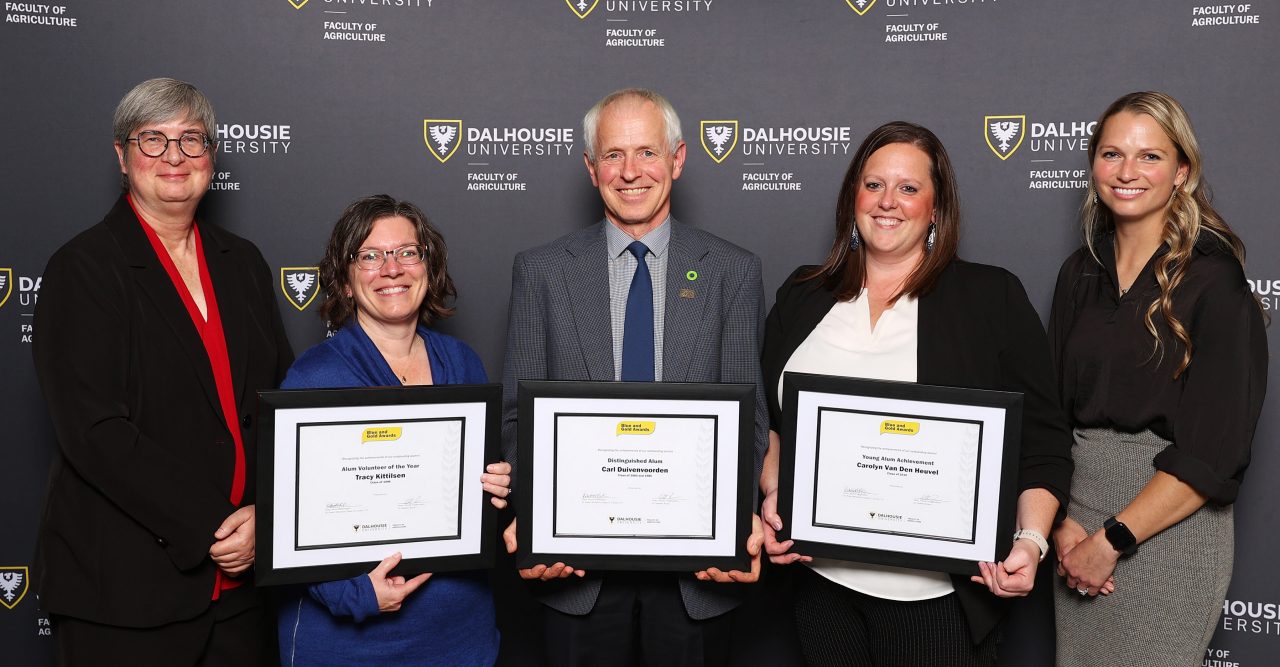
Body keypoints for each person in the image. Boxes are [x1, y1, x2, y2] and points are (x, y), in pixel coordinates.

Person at [760, 121, 1074, 666]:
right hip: (821, 586)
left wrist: (1031, 541)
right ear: (851, 197)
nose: (888, 202)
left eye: (908, 188)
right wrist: (774, 495)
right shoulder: (805, 292)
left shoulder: (990, 298)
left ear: (936, 207)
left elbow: (1041, 443)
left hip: (937, 601)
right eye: (873, 184)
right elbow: (770, 421)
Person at [498, 88, 768, 666]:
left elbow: (749, 421)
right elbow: (520, 415)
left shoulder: (732, 270)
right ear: (591, 168)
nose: (630, 172)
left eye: (647, 152)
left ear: (677, 159)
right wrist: (535, 512)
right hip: (575, 572)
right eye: (613, 155)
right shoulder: (542, 271)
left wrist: (730, 520)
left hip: (699, 573)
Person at [31, 78, 293, 665]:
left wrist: (267, 518)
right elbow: (94, 432)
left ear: (212, 157)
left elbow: (279, 403)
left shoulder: (243, 262)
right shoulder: (84, 268)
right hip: (126, 592)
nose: (173, 157)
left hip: (243, 588)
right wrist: (219, 527)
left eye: (191, 141)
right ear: (121, 156)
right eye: (153, 140)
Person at [1049, 92, 1266, 666]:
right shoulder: (1079, 275)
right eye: (1112, 154)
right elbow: (1050, 411)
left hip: (1167, 528)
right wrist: (1062, 525)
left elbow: (1213, 452)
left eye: (1149, 157)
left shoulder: (1215, 282)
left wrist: (1113, 540)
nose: (1126, 172)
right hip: (1077, 517)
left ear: (1182, 172)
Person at [275, 194, 511, 666]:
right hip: (354, 642)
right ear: (344, 279)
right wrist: (354, 595)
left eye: (408, 252)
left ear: (429, 267)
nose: (392, 268)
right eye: (370, 256)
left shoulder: (462, 363)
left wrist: (496, 486)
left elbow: (473, 496)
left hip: (460, 633)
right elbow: (287, 520)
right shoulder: (315, 377)